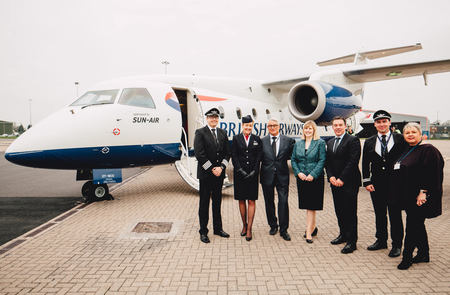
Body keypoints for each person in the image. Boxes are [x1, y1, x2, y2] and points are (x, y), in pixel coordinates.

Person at [390, 122, 444, 270]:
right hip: (407, 196)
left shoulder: (428, 150)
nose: (410, 135)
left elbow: (431, 174)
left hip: (420, 197)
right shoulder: (407, 149)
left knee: (412, 227)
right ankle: (423, 254)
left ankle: (407, 258)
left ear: (421, 134)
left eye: (414, 132)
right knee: (418, 226)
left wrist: (423, 192)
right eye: (407, 133)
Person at [362, 110, 406, 258]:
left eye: (384, 121)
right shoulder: (369, 141)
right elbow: (365, 163)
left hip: (396, 184)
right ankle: (381, 240)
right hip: (377, 184)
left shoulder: (400, 139)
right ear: (375, 124)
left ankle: (397, 244)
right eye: (379, 122)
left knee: (395, 215)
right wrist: (366, 180)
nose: (382, 124)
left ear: (389, 123)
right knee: (380, 214)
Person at [194, 107, 231, 243]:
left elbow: (228, 153)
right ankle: (203, 231)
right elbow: (199, 154)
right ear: (207, 119)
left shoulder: (223, 133)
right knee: (204, 203)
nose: (214, 119)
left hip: (219, 174)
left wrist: (221, 167)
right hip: (206, 175)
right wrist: (212, 169)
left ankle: (218, 229)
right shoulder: (200, 133)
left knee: (217, 202)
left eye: (216, 117)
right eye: (211, 117)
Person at [325, 116, 361, 254]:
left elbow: (353, 161)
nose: (338, 127)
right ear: (332, 127)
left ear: (345, 126)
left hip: (349, 182)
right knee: (339, 210)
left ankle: (352, 242)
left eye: (340, 125)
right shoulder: (330, 142)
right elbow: (328, 163)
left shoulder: (353, 140)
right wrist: (331, 177)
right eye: (335, 125)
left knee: (350, 212)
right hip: (335, 182)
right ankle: (343, 234)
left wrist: (342, 178)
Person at [260, 118, 295, 241]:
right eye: (270, 126)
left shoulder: (288, 141)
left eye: (274, 125)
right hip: (266, 176)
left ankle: (284, 229)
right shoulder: (262, 141)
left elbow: (293, 156)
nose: (272, 127)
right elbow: (258, 158)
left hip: (282, 175)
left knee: (283, 201)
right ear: (267, 128)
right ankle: (273, 225)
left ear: (279, 126)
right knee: (269, 202)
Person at [291, 120, 326, 243]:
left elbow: (322, 160)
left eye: (310, 128)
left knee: (311, 206)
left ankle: (308, 232)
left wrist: (313, 174)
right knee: (309, 206)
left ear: (314, 130)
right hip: (302, 178)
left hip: (315, 178)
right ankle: (313, 227)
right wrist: (298, 173)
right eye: (306, 128)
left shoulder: (320, 143)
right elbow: (293, 159)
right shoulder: (298, 143)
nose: (308, 130)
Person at [231, 115, 263, 241]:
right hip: (240, 174)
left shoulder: (256, 139)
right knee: (241, 200)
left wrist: (255, 171)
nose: (248, 127)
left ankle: (249, 228)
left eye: (250, 125)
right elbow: (234, 156)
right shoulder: (236, 138)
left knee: (251, 201)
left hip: (253, 175)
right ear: (242, 126)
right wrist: (240, 170)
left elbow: (259, 156)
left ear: (252, 126)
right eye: (246, 125)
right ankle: (243, 225)